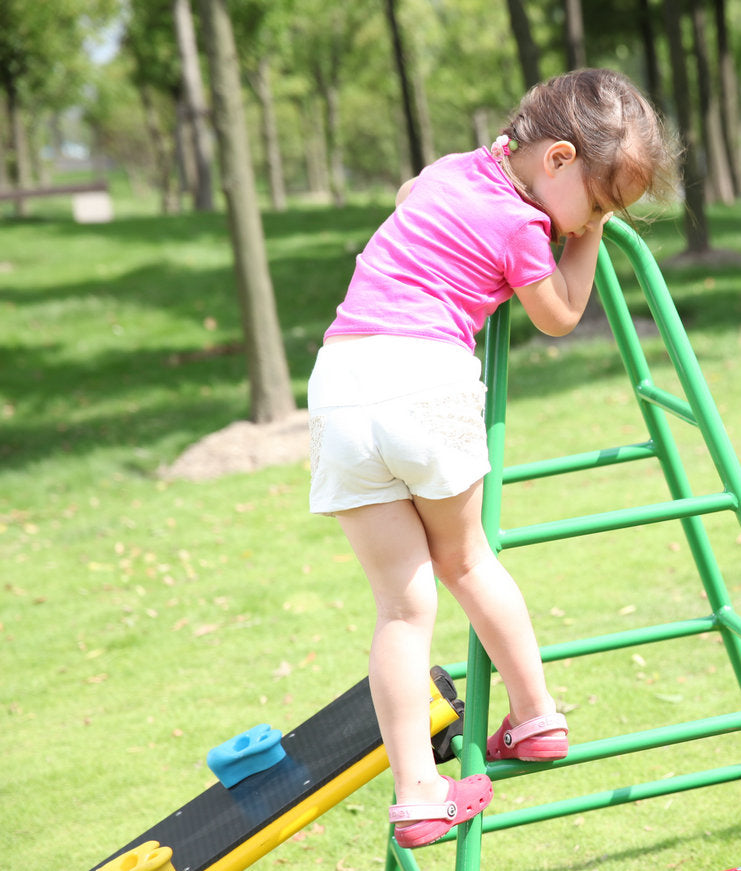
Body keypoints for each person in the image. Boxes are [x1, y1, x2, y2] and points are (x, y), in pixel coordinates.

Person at [307, 68, 678, 849]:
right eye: (599, 202)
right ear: (557, 160)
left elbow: (408, 192)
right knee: (468, 560)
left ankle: (417, 795)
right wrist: (585, 239)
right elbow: (559, 313)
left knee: (400, 609)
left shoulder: (449, 172)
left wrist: (575, 212)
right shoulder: (519, 226)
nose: (595, 219)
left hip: (339, 386)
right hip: (423, 379)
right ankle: (536, 714)